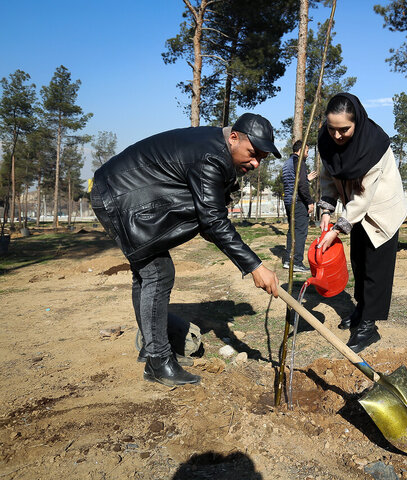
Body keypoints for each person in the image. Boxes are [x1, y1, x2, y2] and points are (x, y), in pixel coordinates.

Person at [91, 113, 281, 387]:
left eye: (261, 158)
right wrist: (255, 265)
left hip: (120, 193)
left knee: (147, 275)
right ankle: (158, 361)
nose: (255, 163)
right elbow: (214, 220)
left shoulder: (214, 148)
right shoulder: (211, 157)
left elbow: (208, 215)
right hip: (117, 196)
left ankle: (153, 350)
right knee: (157, 273)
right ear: (234, 137)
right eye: (252, 153)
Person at [315, 93, 407, 353]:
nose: (337, 136)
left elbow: (364, 197)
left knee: (376, 269)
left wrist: (336, 229)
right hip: (356, 213)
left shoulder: (373, 145)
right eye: (332, 129)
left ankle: (369, 326)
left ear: (358, 122)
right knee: (359, 261)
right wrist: (326, 209)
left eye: (344, 129)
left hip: (380, 211)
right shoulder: (327, 141)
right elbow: (328, 176)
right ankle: (360, 312)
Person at [282, 140, 317, 273]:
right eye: (307, 152)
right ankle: (296, 262)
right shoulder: (299, 162)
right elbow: (301, 185)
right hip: (298, 202)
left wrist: (306, 178)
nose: (307, 155)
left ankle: (288, 260)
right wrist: (309, 201)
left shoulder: (288, 163)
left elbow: (293, 181)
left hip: (289, 201)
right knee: (300, 232)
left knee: (292, 231)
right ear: (301, 150)